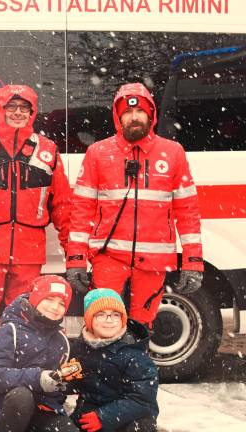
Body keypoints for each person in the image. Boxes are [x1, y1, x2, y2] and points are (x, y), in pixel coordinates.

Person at [66, 82, 203, 326]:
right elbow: (81, 210)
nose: (134, 117)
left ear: (151, 115)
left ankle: (138, 361)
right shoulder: (98, 153)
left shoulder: (173, 152)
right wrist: (76, 259)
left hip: (154, 261)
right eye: (127, 112)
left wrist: (193, 262)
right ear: (118, 118)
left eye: (140, 111)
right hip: (108, 258)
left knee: (141, 327)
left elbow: (187, 212)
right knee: (102, 325)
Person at [0, 85, 70, 314]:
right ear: (1, 109)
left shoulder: (47, 149)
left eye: (24, 108)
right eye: (12, 107)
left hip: (29, 252)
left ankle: (17, 350)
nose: (18, 112)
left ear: (32, 112)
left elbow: (63, 205)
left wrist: (73, 252)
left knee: (23, 314)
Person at [0, 275, 79, 432]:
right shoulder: (10, 330)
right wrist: (39, 378)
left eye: (61, 304)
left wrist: (63, 380)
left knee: (66, 429)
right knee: (21, 397)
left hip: (43, 406)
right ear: (36, 298)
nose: (55, 307)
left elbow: (58, 384)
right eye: (49, 299)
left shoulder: (62, 341)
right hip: (2, 402)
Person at [70, 289, 159, 432]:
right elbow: (75, 384)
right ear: (89, 319)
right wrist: (59, 385)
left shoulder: (134, 353)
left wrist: (104, 417)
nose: (109, 320)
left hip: (129, 417)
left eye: (116, 315)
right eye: (100, 314)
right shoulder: (81, 347)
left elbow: (143, 400)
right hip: (91, 412)